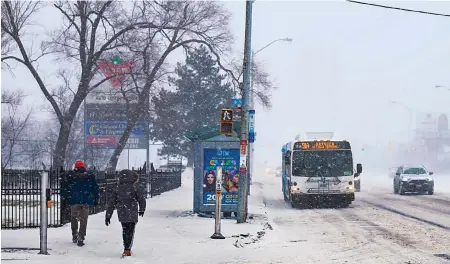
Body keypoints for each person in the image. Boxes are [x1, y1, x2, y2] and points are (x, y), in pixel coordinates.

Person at [105, 169, 146, 257]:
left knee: (125, 230)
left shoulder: (117, 188)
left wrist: (108, 215)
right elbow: (141, 199)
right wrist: (142, 209)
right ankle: (127, 248)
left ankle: (126, 247)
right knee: (131, 230)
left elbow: (111, 203)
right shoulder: (134, 187)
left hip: (122, 211)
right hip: (132, 211)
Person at [60, 160, 99, 247]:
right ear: (83, 167)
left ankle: (74, 235)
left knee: (74, 218)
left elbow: (65, 188)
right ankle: (81, 237)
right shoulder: (89, 176)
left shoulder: (71, 176)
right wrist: (96, 199)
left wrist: (65, 198)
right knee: (83, 219)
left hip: (74, 201)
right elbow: (95, 188)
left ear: (75, 167)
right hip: (85, 201)